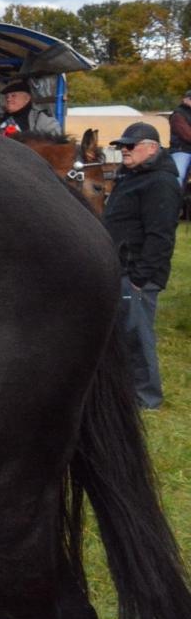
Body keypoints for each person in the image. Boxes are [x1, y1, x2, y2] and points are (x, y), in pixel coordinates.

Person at [102, 122, 178, 410]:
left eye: (130, 146)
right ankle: (125, 392)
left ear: (152, 148)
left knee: (137, 335)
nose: (124, 151)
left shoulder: (160, 182)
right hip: (122, 267)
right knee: (122, 334)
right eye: (122, 146)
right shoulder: (132, 177)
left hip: (137, 274)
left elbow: (160, 235)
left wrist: (140, 277)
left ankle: (147, 398)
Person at [165, 88, 191, 185]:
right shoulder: (178, 115)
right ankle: (174, 196)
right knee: (178, 174)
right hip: (182, 150)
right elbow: (187, 134)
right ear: (185, 100)